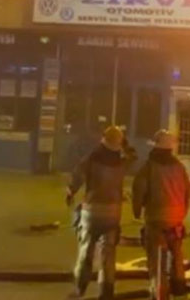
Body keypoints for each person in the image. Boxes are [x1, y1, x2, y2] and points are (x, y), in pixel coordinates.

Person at [67, 125, 131, 300]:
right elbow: (133, 155)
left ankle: (80, 289)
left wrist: (71, 191)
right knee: (108, 255)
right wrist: (123, 143)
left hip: (92, 212)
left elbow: (78, 175)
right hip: (113, 213)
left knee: (86, 251)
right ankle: (106, 292)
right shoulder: (122, 160)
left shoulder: (93, 157)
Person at [133, 130, 190, 298]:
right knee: (177, 254)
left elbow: (139, 191)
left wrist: (137, 211)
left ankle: (159, 291)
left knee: (156, 258)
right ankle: (180, 287)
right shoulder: (180, 167)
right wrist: (182, 214)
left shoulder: (149, 167)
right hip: (176, 220)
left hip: (156, 220)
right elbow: (188, 192)